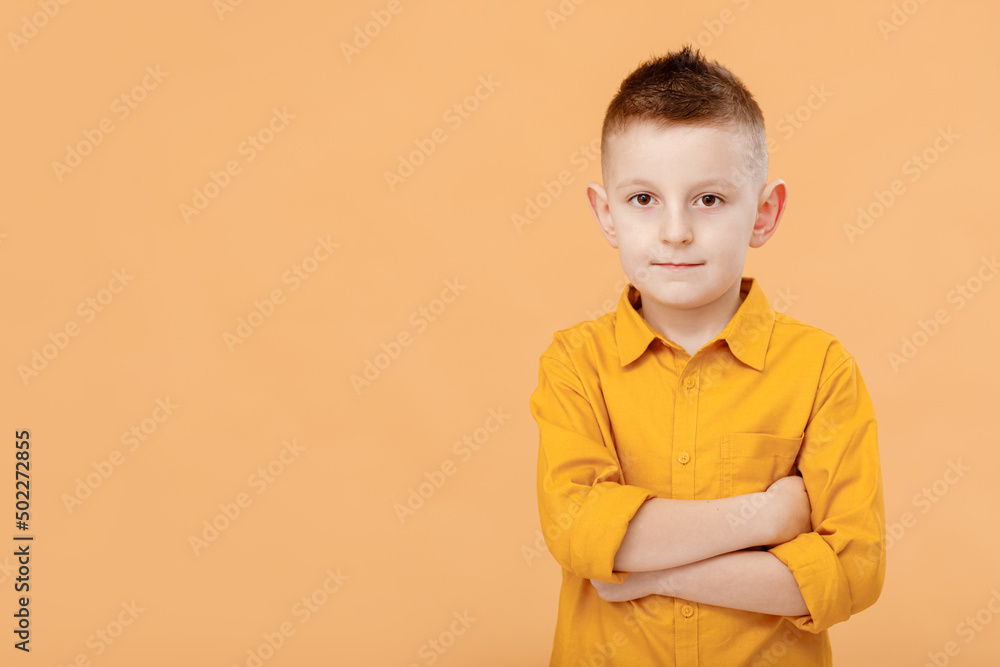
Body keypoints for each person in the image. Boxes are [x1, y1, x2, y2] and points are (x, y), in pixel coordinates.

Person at [528, 44, 885, 666]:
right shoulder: (575, 364)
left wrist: (648, 572)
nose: (675, 232)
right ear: (605, 213)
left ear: (764, 213)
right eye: (644, 199)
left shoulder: (823, 370)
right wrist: (768, 516)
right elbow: (578, 530)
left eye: (709, 200)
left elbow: (853, 571)